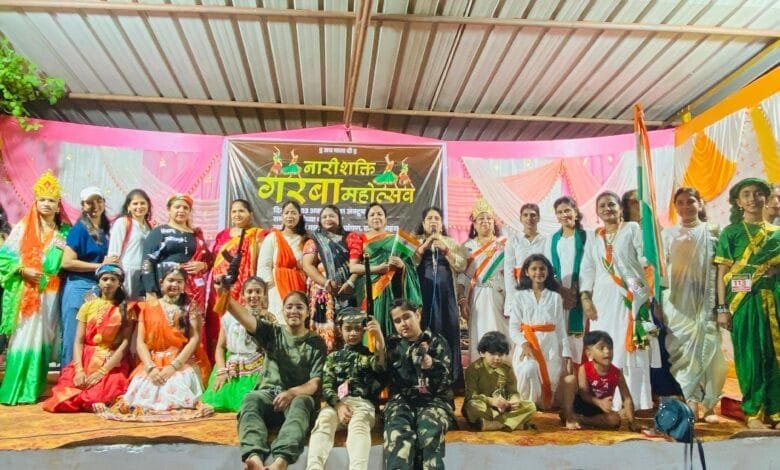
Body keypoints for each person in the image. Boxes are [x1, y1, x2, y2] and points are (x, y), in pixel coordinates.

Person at [223, 289, 325, 470]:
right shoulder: (272, 332)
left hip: (297, 399)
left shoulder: (316, 342)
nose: (294, 311)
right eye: (289, 307)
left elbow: (314, 383)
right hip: (268, 395)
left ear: (307, 312)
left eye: (299, 307)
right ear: (283, 311)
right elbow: (246, 319)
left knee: (302, 402)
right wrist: (225, 295)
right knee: (251, 399)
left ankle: (281, 461)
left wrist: (292, 392)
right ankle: (254, 457)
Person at [97, 266, 213, 421]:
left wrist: (173, 367)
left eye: (179, 281)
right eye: (170, 280)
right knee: (141, 395)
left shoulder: (190, 307)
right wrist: (150, 367)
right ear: (161, 282)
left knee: (176, 391)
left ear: (184, 285)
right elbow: (140, 342)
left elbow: (194, 339)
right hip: (152, 362)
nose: (174, 285)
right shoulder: (148, 307)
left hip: (180, 361)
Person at [579, 191, 656, 411]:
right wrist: (585, 297)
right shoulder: (594, 237)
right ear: (597, 212)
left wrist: (642, 293)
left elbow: (645, 259)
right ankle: (607, 401)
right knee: (605, 344)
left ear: (620, 208)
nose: (607, 209)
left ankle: (634, 401)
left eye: (611, 204)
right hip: (602, 300)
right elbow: (587, 268)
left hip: (631, 295)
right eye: (602, 206)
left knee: (628, 346)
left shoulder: (632, 229)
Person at [0, 171, 70, 405]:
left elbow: (62, 263)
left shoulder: (63, 233)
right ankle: (15, 389)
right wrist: (22, 270)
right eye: (42, 200)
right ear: (36, 202)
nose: (47, 204)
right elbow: (3, 258)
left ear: (58, 205)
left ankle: (33, 387)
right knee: (24, 336)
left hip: (51, 292)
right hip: (28, 291)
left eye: (51, 200)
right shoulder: (23, 228)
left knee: (44, 338)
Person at [715, 178, 779, 429]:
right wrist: (722, 309)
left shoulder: (777, 233)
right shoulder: (731, 233)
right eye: (746, 194)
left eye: (758, 193)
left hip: (772, 302)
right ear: (738, 202)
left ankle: (776, 411)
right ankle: (753, 413)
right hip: (742, 304)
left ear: (766, 198)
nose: (753, 199)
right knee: (749, 357)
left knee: (774, 357)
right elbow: (722, 273)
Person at [661, 187, 726, 423]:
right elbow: (660, 271)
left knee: (711, 354)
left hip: (706, 303)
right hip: (677, 305)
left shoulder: (714, 232)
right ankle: (691, 401)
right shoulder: (667, 235)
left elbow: (723, 270)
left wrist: (722, 306)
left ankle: (709, 405)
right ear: (675, 207)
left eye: (690, 201)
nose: (686, 207)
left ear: (700, 203)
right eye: (680, 202)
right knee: (683, 354)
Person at [42, 264, 134, 412]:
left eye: (113, 279)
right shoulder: (87, 306)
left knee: (103, 392)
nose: (108, 283)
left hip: (112, 360)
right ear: (98, 282)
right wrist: (79, 370)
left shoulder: (126, 309)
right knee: (64, 398)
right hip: (86, 357)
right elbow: (79, 341)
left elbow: (125, 343)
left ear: (119, 283)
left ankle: (100, 399)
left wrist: (102, 371)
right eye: (105, 279)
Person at [306, 307, 386, 470]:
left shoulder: (369, 356)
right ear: (340, 330)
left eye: (357, 329)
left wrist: (379, 337)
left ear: (363, 330)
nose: (353, 333)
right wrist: (338, 406)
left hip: (363, 405)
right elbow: (327, 386)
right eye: (348, 329)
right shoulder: (333, 357)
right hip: (337, 404)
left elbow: (381, 367)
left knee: (359, 426)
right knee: (324, 421)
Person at [383, 299, 454, 470]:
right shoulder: (392, 344)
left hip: (434, 401)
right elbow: (382, 375)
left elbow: (446, 380)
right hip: (402, 401)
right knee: (398, 435)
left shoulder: (437, 342)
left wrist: (432, 365)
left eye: (406, 317)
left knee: (429, 433)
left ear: (418, 315)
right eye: (397, 321)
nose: (403, 324)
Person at [141, 194, 212, 352]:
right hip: (167, 287)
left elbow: (210, 260)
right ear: (169, 210)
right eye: (177, 207)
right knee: (169, 323)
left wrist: (203, 265)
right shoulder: (159, 232)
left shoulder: (196, 235)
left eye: (185, 208)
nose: (181, 210)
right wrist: (150, 291)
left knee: (193, 326)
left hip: (194, 291)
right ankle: (167, 360)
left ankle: (192, 361)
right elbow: (147, 262)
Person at [508, 254, 574, 415]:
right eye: (534, 269)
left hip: (550, 345)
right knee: (528, 369)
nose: (538, 272)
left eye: (542, 269)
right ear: (526, 272)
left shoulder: (555, 297)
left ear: (548, 272)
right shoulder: (519, 296)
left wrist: (566, 353)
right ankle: (527, 404)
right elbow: (514, 328)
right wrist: (524, 344)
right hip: (528, 343)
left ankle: (541, 404)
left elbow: (560, 328)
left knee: (548, 386)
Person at [347, 202, 422, 338]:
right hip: (370, 289)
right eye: (372, 215)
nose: (376, 217)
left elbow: (410, 266)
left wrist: (402, 266)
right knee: (373, 323)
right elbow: (354, 267)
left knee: (394, 322)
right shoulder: (359, 239)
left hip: (394, 288)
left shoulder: (397, 240)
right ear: (367, 221)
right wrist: (377, 269)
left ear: (386, 219)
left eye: (379, 214)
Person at [60, 186, 115, 368]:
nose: (95, 205)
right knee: (74, 335)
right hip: (79, 286)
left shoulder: (106, 230)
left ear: (104, 203)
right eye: (89, 202)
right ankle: (69, 375)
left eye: (98, 201)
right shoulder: (79, 230)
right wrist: (100, 266)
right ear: (83, 206)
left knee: (93, 335)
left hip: (98, 288)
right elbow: (67, 262)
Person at [202, 277, 274, 412]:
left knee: (252, 404)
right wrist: (221, 371)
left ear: (264, 295)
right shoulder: (229, 317)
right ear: (242, 295)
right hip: (231, 368)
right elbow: (220, 347)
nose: (254, 295)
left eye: (258, 291)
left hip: (256, 370)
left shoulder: (269, 319)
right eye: (250, 291)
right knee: (216, 400)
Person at [207, 199, 266, 360]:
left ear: (250, 214)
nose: (237, 214)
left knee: (240, 323)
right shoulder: (222, 235)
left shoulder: (257, 234)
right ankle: (220, 360)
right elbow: (213, 258)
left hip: (243, 288)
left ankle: (242, 356)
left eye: (241, 211)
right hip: (219, 287)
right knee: (220, 323)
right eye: (234, 211)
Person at [415, 206, 467, 381]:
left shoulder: (450, 242)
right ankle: (428, 377)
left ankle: (452, 377)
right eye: (429, 219)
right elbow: (409, 263)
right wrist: (424, 246)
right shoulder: (416, 241)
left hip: (447, 295)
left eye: (437, 218)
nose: (433, 222)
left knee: (450, 329)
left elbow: (461, 265)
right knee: (428, 331)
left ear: (442, 223)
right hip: (424, 295)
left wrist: (446, 250)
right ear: (423, 224)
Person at [302, 205, 359, 353]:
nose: (328, 219)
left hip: (348, 291)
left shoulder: (350, 239)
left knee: (347, 328)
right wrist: (326, 282)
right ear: (320, 220)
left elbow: (358, 263)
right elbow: (307, 265)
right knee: (325, 334)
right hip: (323, 294)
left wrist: (350, 282)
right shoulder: (314, 240)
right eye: (324, 216)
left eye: (332, 216)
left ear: (339, 219)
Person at [458, 198, 509, 363]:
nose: (485, 221)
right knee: (480, 334)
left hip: (500, 296)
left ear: (494, 222)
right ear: (474, 223)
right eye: (481, 218)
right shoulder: (467, 247)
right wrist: (462, 300)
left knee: (501, 333)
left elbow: (511, 274)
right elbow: (462, 277)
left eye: (488, 218)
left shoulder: (505, 244)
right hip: (477, 298)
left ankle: (504, 372)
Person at [560, 330, 640, 431]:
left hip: (600, 410)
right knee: (569, 379)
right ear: (589, 353)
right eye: (601, 348)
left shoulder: (617, 373)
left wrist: (632, 422)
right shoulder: (584, 368)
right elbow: (584, 394)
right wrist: (599, 402)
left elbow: (627, 399)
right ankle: (569, 417)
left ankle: (579, 419)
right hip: (583, 404)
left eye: (610, 348)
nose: (607, 351)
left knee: (615, 420)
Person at [462, 331, 536, 431]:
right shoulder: (474, 369)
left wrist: (514, 400)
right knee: (472, 406)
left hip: (504, 408)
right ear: (482, 353)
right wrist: (491, 401)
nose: (497, 358)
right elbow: (472, 395)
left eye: (500, 354)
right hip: (485, 406)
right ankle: (512, 423)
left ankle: (492, 424)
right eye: (492, 354)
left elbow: (513, 392)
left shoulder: (507, 369)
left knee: (531, 406)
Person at [545, 196, 588, 365]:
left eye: (567, 210)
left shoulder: (586, 236)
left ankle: (579, 373)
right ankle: (563, 374)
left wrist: (577, 290)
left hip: (582, 293)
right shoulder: (552, 239)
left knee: (579, 337)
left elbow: (591, 264)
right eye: (560, 212)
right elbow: (548, 268)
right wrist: (562, 291)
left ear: (575, 212)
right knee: (560, 335)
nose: (564, 215)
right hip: (559, 293)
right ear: (556, 216)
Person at [257, 200, 307, 324]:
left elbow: (309, 265)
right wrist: (267, 290)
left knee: (296, 320)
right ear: (282, 216)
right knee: (278, 320)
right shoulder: (273, 237)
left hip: (299, 285)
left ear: (300, 216)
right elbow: (264, 266)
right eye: (287, 213)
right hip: (276, 287)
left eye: (293, 213)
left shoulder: (305, 240)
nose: (290, 216)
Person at [107, 189, 153, 300]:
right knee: (125, 306)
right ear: (128, 206)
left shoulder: (149, 226)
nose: (139, 207)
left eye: (142, 203)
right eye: (135, 203)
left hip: (144, 274)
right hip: (126, 272)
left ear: (148, 206)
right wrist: (114, 276)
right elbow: (113, 253)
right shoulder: (122, 222)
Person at [504, 203, 546, 311]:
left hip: (541, 291)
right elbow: (509, 272)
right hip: (519, 290)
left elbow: (549, 269)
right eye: (525, 215)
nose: (529, 218)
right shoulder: (513, 240)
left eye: (533, 215)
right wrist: (515, 297)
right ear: (520, 218)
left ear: (538, 218)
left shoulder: (546, 240)